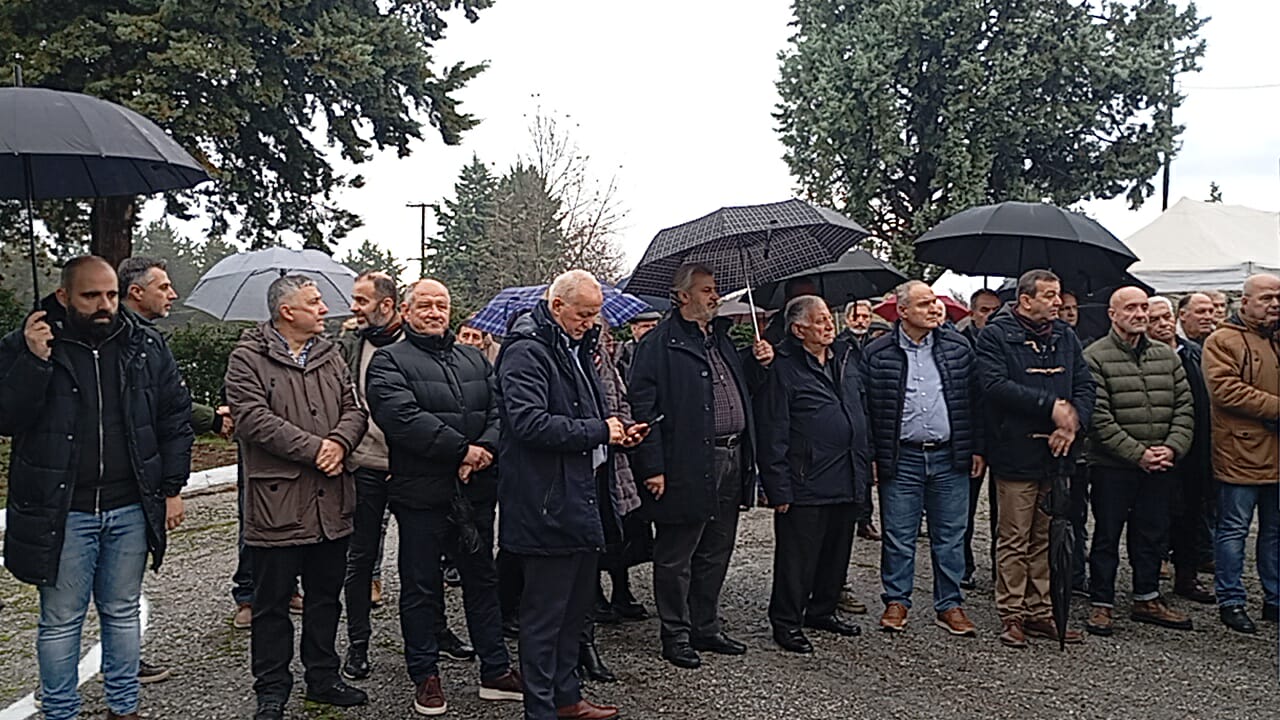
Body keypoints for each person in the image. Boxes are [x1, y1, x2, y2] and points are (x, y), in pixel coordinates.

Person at [1, 256, 193, 720]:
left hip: (130, 506)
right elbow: (7, 419)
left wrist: (171, 486)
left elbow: (174, 417)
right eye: (90, 296)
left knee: (123, 611)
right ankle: (60, 711)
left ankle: (123, 708)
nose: (104, 304)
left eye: (110, 294)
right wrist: (33, 361)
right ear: (64, 296)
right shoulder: (29, 342)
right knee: (61, 620)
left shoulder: (144, 344)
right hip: (62, 510)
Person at [365, 278, 522, 715]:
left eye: (442, 305)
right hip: (422, 493)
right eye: (426, 305)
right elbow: (402, 417)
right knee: (421, 587)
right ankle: (425, 675)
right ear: (406, 311)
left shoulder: (473, 358)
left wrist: (483, 449)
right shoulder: (388, 361)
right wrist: (460, 451)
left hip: (475, 490)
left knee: (482, 580)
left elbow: (498, 410)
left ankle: (495, 669)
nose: (435, 312)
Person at [496, 269, 641, 720]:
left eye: (595, 314)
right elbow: (528, 423)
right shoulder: (526, 351)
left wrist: (617, 435)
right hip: (546, 502)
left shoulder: (577, 348)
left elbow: (589, 414)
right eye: (584, 314)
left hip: (581, 495)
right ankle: (540, 709)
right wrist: (599, 431)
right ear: (557, 306)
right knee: (544, 617)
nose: (591, 323)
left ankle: (566, 698)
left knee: (574, 612)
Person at [224, 274, 369, 720]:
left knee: (325, 597)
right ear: (287, 312)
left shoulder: (331, 355)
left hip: (331, 501)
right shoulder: (247, 358)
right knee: (272, 604)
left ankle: (323, 678)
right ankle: (272, 689)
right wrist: (316, 449)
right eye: (314, 302)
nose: (324, 309)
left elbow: (355, 409)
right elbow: (252, 419)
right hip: (279, 503)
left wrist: (340, 444)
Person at [629, 263, 774, 669]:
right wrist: (652, 467)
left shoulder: (721, 339)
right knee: (677, 553)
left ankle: (704, 626)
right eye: (707, 290)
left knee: (717, 547)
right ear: (682, 296)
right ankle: (675, 633)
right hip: (685, 460)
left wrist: (759, 365)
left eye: (716, 289)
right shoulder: (658, 344)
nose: (715, 296)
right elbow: (643, 408)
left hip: (732, 455)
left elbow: (743, 391)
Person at [117, 255, 232, 683]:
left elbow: (169, 406)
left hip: (136, 480)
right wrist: (171, 488)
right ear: (136, 292)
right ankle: (62, 684)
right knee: (76, 602)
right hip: (106, 486)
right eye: (163, 287)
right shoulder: (108, 343)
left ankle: (122, 669)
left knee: (120, 592)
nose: (173, 294)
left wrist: (212, 420)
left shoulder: (149, 341)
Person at [975, 269, 1093, 648]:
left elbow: (1084, 385)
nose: (1058, 302)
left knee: (1045, 535)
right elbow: (994, 385)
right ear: (1026, 300)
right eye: (1049, 295)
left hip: (1056, 454)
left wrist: (1072, 423)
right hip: (1016, 450)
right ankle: (1012, 612)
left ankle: (1040, 609)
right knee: (1014, 536)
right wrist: (1049, 406)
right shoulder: (996, 335)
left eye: (1058, 295)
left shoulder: (1065, 336)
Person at [861, 281, 983, 637]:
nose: (934, 308)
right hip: (902, 456)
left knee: (951, 534)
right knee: (899, 534)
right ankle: (897, 601)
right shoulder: (878, 352)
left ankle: (950, 604)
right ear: (902, 312)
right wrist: (872, 455)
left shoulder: (958, 348)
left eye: (934, 302)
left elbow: (974, 402)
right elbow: (867, 408)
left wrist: (977, 447)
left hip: (949, 455)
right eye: (924, 304)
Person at [755, 295, 870, 653]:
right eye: (819, 320)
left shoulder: (845, 358)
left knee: (836, 553)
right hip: (805, 477)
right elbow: (773, 430)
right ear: (798, 329)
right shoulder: (783, 367)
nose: (828, 325)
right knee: (797, 558)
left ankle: (822, 609)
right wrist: (778, 487)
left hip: (847, 472)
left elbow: (861, 409)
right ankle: (786, 621)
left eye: (828, 318)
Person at [1081, 288, 1195, 636]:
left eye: (1144, 307)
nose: (1140, 314)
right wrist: (1138, 454)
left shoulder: (1166, 356)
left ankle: (1147, 597)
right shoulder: (1094, 357)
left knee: (1152, 533)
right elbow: (1098, 418)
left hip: (1160, 463)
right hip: (1112, 466)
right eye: (1131, 307)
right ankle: (1101, 602)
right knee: (1107, 535)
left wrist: (1172, 448)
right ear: (1112, 314)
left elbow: (1185, 407)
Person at [1202, 273, 1280, 634]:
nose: (1275, 304)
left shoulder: (1275, 338)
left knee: (1274, 532)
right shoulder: (1222, 340)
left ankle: (1274, 598)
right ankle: (1231, 600)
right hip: (1241, 452)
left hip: (1275, 454)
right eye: (1266, 298)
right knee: (1233, 530)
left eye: (1278, 298)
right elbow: (1225, 390)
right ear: (1244, 302)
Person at [1147, 296, 1216, 605]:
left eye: (1166, 317)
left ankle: (1187, 576)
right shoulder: (1144, 357)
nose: (1162, 324)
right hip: (1157, 447)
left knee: (1192, 513)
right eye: (1154, 319)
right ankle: (1150, 580)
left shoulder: (1193, 353)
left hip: (1194, 447)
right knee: (1155, 517)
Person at [959, 287, 1000, 589]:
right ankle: (963, 564)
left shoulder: (1005, 340)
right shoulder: (960, 345)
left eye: (995, 310)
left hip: (1002, 433)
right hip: (971, 432)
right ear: (972, 313)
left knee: (1005, 510)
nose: (990, 316)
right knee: (964, 507)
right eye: (984, 310)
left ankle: (1003, 567)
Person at [614, 309, 661, 381]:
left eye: (654, 326)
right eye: (646, 326)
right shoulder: (625, 350)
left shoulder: (662, 348)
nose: (651, 329)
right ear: (634, 329)